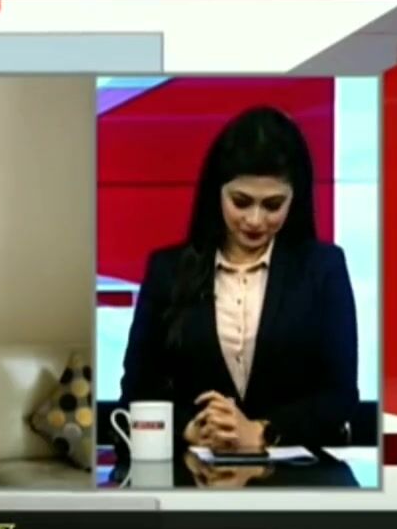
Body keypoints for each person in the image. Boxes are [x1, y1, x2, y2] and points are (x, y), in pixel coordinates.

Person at [118, 106, 359, 453]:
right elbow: (136, 392)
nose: (255, 220)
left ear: (295, 200)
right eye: (241, 202)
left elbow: (340, 395)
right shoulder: (167, 271)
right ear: (217, 193)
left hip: (297, 472)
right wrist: (189, 429)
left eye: (273, 205)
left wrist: (262, 432)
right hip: (194, 469)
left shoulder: (324, 268)